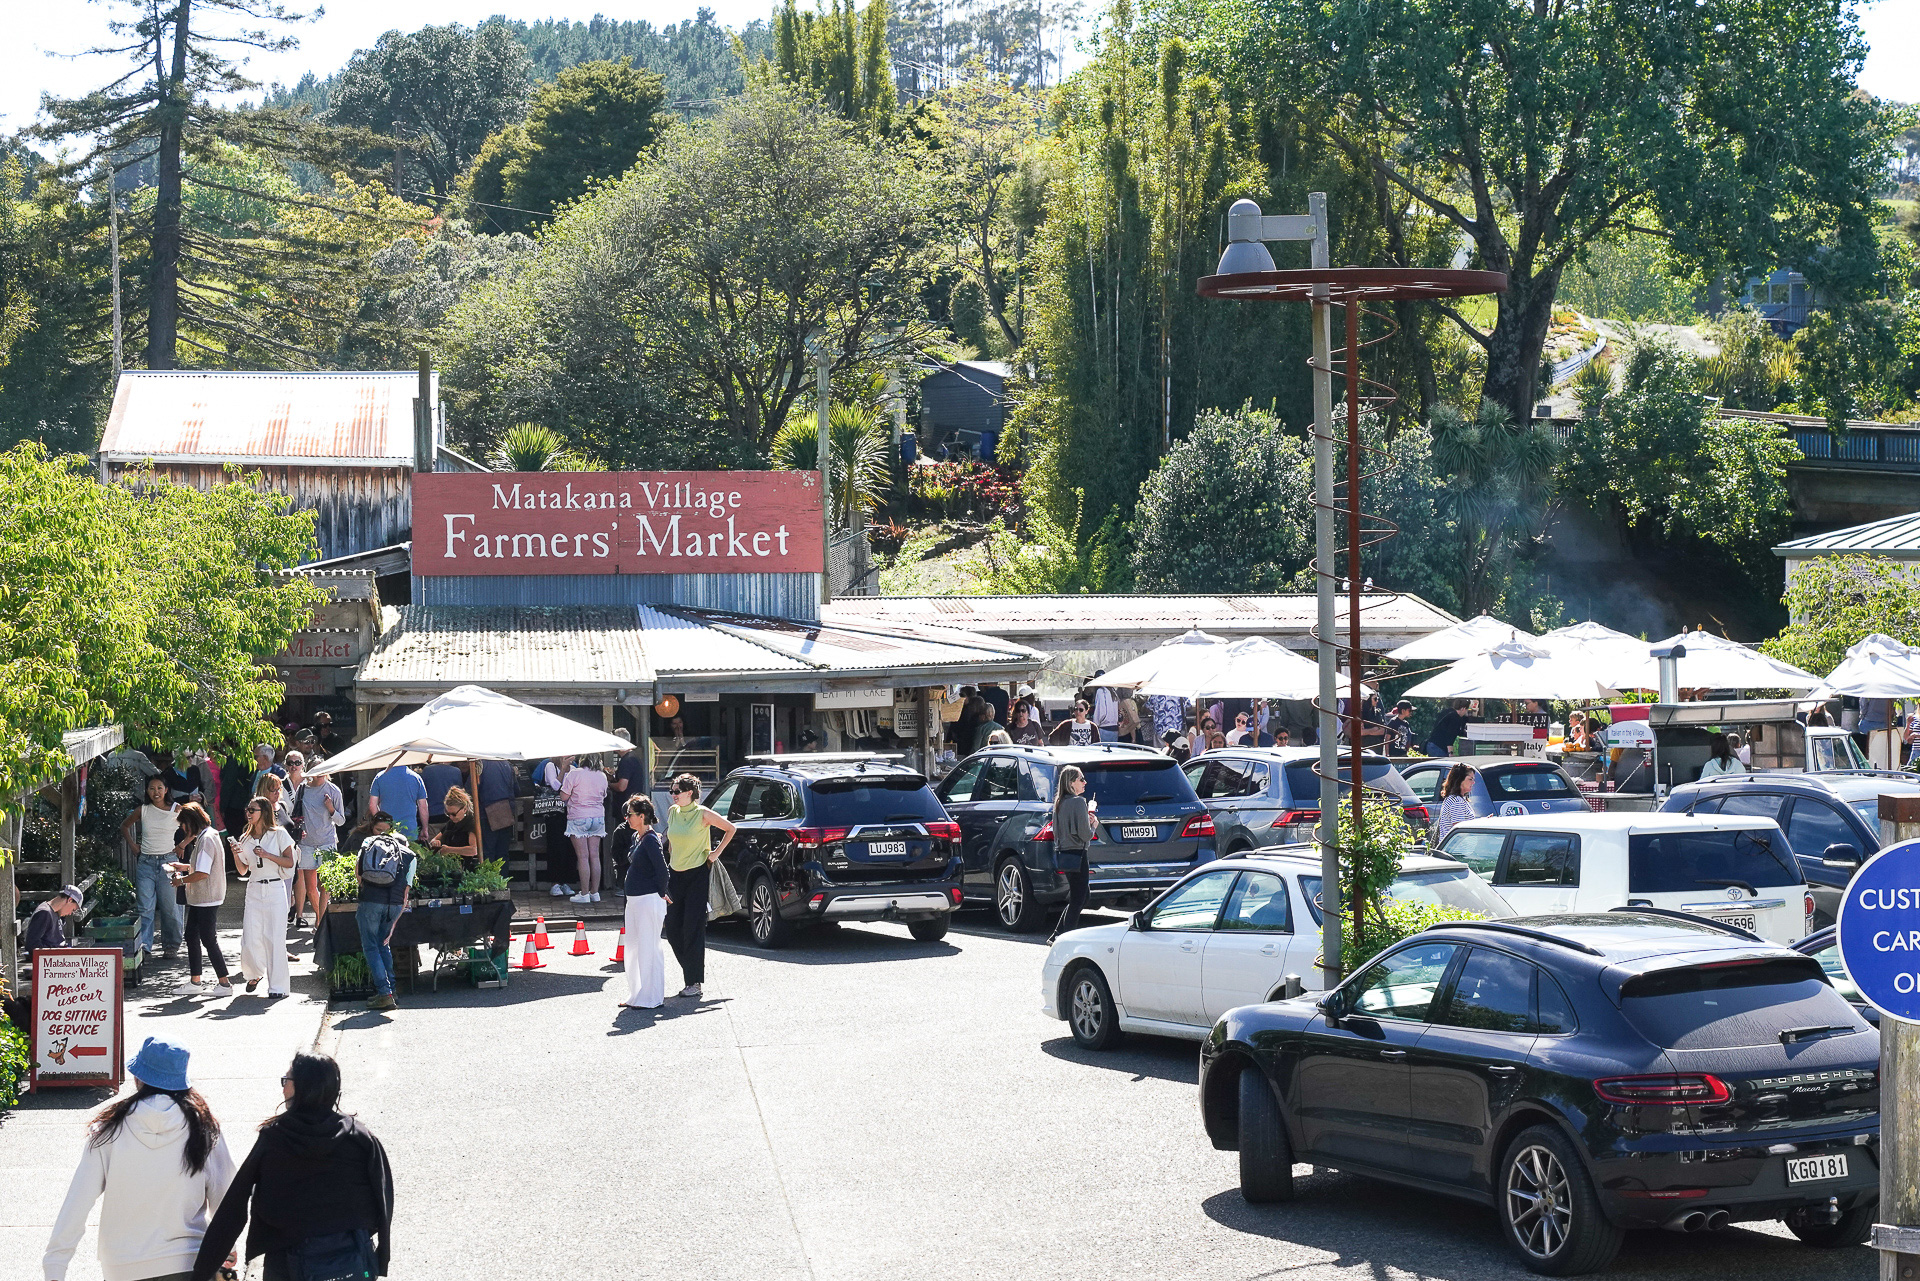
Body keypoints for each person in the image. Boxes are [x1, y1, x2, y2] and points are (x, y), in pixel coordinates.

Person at [191, 1050, 393, 1281]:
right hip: (352, 1261)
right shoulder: (360, 1138)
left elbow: (234, 1206)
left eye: (287, 1080)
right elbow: (383, 1198)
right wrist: (379, 1255)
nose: (283, 1087)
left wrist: (203, 1272)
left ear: (303, 1087)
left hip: (286, 1264)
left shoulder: (275, 1138)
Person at [45, 1037, 235, 1281]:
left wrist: (55, 1265)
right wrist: (228, 1249)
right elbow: (226, 1199)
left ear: (138, 1078)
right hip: (190, 1262)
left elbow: (77, 1202)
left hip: (122, 1267)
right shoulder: (205, 1129)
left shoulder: (108, 1130)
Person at [662, 773, 736, 1001]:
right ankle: (691, 970)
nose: (673, 795)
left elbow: (731, 829)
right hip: (675, 874)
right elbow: (672, 840)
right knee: (672, 927)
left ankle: (693, 981)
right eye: (672, 791)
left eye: (677, 791)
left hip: (697, 874)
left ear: (689, 793)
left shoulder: (702, 814)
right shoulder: (673, 812)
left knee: (692, 927)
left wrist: (715, 854)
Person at [228, 797, 294, 999]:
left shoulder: (279, 834)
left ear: (263, 812)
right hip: (254, 888)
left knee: (275, 938)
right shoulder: (245, 838)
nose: (248, 813)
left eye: (252, 810)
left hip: (274, 888)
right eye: (247, 809)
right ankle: (254, 974)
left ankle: (278, 987)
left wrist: (267, 855)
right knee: (250, 937)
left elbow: (289, 862)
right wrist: (235, 853)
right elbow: (242, 870)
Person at [167, 806, 231, 997]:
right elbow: (202, 866)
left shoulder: (206, 839)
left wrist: (181, 880)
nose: (184, 830)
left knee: (208, 939)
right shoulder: (209, 835)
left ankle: (224, 984)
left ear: (191, 822)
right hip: (203, 898)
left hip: (206, 897)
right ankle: (196, 980)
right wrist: (185, 867)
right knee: (192, 936)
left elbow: (203, 873)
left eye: (184, 825)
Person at [355, 812, 415, 1013]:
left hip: (371, 901)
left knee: (371, 946)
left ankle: (384, 993)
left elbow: (359, 875)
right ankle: (392, 990)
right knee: (384, 944)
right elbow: (406, 890)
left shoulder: (369, 844)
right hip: (395, 904)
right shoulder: (410, 856)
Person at [123, 773, 185, 960]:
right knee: (145, 907)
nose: (156, 792)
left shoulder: (177, 809)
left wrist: (182, 845)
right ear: (147, 791)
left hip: (169, 862)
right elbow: (124, 826)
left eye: (159, 788)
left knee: (170, 907)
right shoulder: (143, 810)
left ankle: (171, 945)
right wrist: (133, 845)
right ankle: (144, 946)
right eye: (152, 788)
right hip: (146, 863)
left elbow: (195, 827)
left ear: (166, 790)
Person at [618, 796, 671, 1010]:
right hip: (635, 900)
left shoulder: (650, 839)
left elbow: (663, 870)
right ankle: (637, 994)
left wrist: (661, 893)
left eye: (630, 814)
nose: (626, 818)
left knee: (649, 948)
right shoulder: (637, 838)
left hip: (648, 900)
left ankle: (651, 997)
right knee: (633, 948)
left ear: (641, 816)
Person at [291, 764, 344, 930]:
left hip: (327, 841)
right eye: (316, 771)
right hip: (306, 844)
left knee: (325, 886)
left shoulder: (333, 790)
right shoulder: (303, 788)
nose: (319, 775)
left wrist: (330, 809)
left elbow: (341, 821)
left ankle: (320, 923)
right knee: (310, 888)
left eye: (323, 771)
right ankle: (320, 917)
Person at [1048, 765, 1096, 940]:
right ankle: (1065, 938)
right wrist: (1093, 825)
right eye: (1081, 779)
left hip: (1064, 853)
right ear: (1071, 783)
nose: (1085, 782)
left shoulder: (1059, 803)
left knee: (1083, 895)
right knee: (1078, 899)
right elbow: (1085, 834)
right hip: (1078, 853)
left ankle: (1057, 934)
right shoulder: (1078, 802)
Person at [560, 756, 610, 904]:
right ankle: (595, 893)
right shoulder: (602, 776)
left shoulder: (574, 774)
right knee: (594, 856)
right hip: (598, 817)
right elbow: (604, 795)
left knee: (583, 856)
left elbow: (563, 796)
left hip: (578, 817)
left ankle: (584, 893)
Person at [536, 755, 577, 898]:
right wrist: (563, 770)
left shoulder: (573, 769)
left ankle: (566, 881)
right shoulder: (549, 766)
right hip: (554, 811)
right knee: (555, 845)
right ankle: (554, 882)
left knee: (569, 846)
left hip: (569, 810)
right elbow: (554, 785)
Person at [369, 760, 428, 843]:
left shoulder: (380, 777)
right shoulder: (416, 778)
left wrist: (381, 822)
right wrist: (425, 828)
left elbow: (372, 805)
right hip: (410, 830)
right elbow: (423, 807)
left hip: (387, 830)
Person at [476, 759, 517, 866]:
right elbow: (517, 790)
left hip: (487, 812)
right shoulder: (507, 764)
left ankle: (489, 882)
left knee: (488, 852)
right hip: (505, 811)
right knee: (503, 853)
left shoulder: (480, 764)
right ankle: (502, 881)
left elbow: (471, 789)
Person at [22, 884, 82, 956]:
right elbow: (32, 945)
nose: (70, 914)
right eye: (73, 910)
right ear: (70, 900)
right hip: (50, 963)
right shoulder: (44, 913)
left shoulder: (55, 913)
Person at [1428, 764, 1477, 845]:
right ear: (1459, 780)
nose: (1473, 782)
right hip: (1457, 852)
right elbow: (1459, 830)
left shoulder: (1459, 799)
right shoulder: (1456, 801)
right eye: (1470, 779)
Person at [429, 786, 480, 863]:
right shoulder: (451, 823)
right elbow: (434, 839)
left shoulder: (471, 823)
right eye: (448, 814)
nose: (451, 817)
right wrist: (435, 842)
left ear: (464, 809)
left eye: (454, 814)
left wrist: (449, 850)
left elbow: (473, 850)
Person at [418, 760, 463, 826]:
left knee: (433, 836)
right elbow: (460, 793)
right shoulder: (456, 771)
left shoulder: (427, 770)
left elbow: (421, 793)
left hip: (432, 814)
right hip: (451, 814)